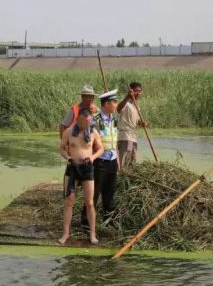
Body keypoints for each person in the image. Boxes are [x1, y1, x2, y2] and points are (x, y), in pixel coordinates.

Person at [59, 107, 103, 245]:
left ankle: (92, 234)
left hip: (87, 168)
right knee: (69, 201)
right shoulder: (69, 132)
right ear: (78, 120)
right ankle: (65, 234)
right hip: (72, 168)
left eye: (89, 122)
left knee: (89, 203)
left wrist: (92, 157)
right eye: (84, 122)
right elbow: (61, 148)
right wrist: (67, 157)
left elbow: (101, 149)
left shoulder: (93, 132)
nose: (86, 125)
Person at [81, 90, 119, 228]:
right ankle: (86, 223)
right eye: (114, 102)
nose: (116, 105)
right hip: (98, 162)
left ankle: (108, 222)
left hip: (112, 162)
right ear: (107, 104)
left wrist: (117, 161)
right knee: (93, 195)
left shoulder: (114, 119)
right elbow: (86, 141)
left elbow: (114, 141)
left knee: (110, 194)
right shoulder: (94, 120)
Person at [116, 81, 147, 166]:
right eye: (136, 91)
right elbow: (118, 109)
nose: (138, 93)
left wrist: (142, 123)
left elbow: (136, 121)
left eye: (140, 91)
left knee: (132, 163)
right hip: (125, 136)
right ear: (131, 91)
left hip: (133, 137)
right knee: (123, 162)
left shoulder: (136, 106)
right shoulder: (126, 103)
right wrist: (127, 96)